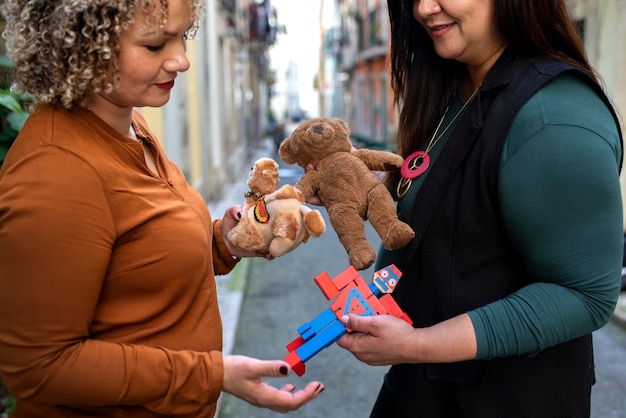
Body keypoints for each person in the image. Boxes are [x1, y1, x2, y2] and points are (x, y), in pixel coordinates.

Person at [0, 0, 325, 417]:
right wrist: (212, 375)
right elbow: (40, 367)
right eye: (155, 45)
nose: (182, 60)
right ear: (82, 46)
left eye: (183, 36)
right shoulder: (56, 169)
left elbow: (137, 262)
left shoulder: (129, 123)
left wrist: (225, 242)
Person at [336, 0, 624, 417]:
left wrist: (417, 345)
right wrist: (360, 185)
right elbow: (453, 199)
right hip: (420, 392)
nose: (423, 8)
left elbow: (583, 294)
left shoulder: (554, 115)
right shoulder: (456, 88)